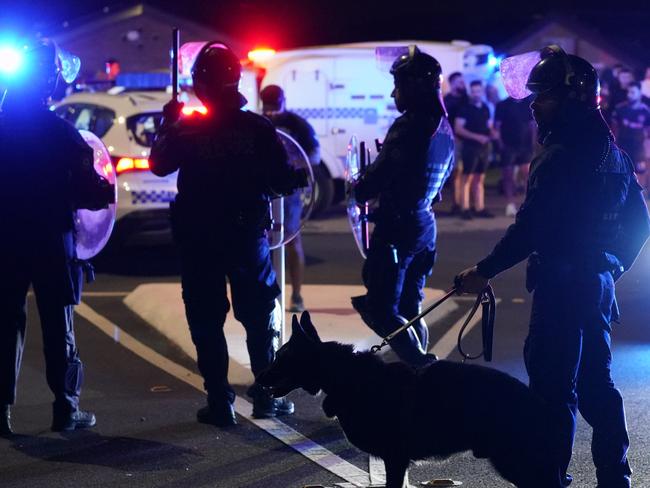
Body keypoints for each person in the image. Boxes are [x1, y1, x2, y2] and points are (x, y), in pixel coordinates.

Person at [455, 46, 650, 488]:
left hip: (561, 287)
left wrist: (484, 270)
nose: (533, 106)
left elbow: (531, 227)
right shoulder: (612, 154)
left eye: (542, 97)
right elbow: (640, 224)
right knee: (597, 385)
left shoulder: (559, 154)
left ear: (573, 98)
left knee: (552, 390)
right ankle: (614, 477)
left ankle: (548, 478)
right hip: (596, 285)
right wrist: (610, 269)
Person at [150, 43, 307, 426]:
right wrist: (295, 178)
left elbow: (159, 164)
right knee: (258, 316)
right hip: (245, 235)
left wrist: (168, 125)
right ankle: (267, 396)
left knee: (205, 320)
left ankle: (220, 401)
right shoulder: (256, 127)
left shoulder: (188, 128)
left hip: (199, 239)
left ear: (200, 84)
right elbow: (281, 179)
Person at [0, 39, 115, 434]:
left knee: (3, 321)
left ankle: (0, 413)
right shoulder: (62, 133)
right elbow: (94, 193)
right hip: (51, 239)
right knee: (58, 321)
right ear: (49, 82)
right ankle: (66, 408)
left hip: (5, 238)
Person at [351, 46, 454, 368]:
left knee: (380, 308)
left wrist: (358, 183)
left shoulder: (409, 126)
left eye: (399, 84)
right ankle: (421, 376)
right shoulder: (443, 126)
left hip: (398, 227)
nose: (395, 92)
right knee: (410, 307)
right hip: (425, 224)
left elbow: (374, 180)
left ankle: (422, 368)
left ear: (414, 86)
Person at [260, 84, 320, 313]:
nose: (271, 112)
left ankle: (296, 295)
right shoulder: (258, 122)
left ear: (283, 102)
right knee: (263, 241)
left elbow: (313, 155)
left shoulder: (296, 124)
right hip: (264, 190)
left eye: (275, 107)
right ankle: (268, 294)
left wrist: (295, 167)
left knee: (292, 238)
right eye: (267, 107)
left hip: (289, 193)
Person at [455, 80, 495, 219]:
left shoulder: (485, 107)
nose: (476, 94)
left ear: (482, 92)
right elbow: (458, 128)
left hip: (484, 147)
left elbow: (489, 125)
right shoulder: (465, 108)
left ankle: (479, 207)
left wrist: (493, 133)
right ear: (470, 92)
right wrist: (477, 137)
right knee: (467, 178)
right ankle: (464, 208)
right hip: (470, 147)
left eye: (478, 91)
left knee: (480, 178)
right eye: (473, 91)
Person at [495, 95, 536, 216]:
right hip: (508, 145)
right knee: (508, 176)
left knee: (527, 175)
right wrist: (500, 144)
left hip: (525, 146)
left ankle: (527, 203)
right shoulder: (502, 104)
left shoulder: (527, 104)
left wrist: (532, 144)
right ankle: (510, 204)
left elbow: (532, 125)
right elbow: (497, 126)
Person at [611, 82, 650, 193]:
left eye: (633, 92)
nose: (629, 94)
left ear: (639, 93)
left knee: (640, 172)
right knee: (620, 172)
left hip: (638, 149)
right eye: (628, 92)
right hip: (622, 147)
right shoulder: (619, 109)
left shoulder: (646, 111)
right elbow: (613, 128)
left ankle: (640, 196)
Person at [443, 72, 468, 215]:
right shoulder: (447, 101)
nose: (462, 84)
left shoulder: (466, 99)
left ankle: (465, 204)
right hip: (454, 141)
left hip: (468, 141)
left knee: (467, 173)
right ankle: (456, 203)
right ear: (452, 83)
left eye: (462, 81)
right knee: (457, 172)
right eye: (459, 81)